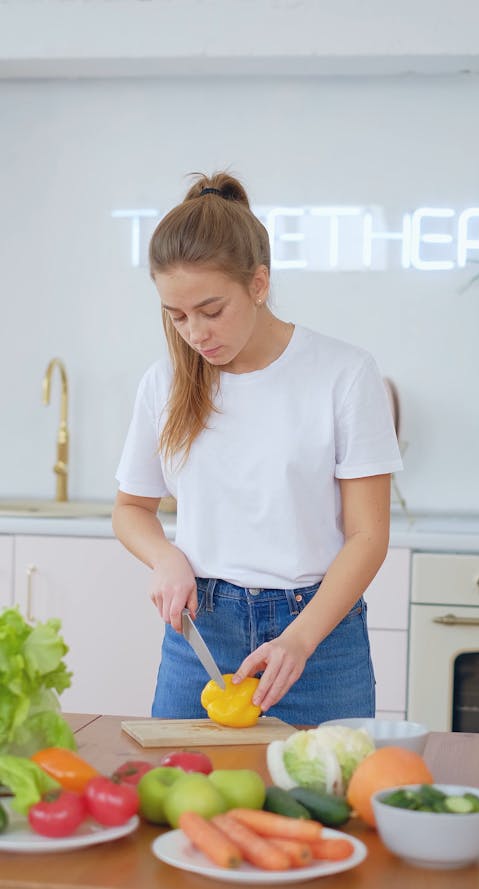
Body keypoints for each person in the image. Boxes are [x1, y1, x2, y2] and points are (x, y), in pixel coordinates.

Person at [112, 171, 403, 725]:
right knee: (178, 800)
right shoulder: (165, 382)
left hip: (317, 640)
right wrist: (165, 557)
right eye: (177, 316)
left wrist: (298, 640)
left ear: (260, 284)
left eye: (211, 310)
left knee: (329, 805)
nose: (195, 333)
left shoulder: (343, 372)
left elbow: (369, 536)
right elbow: (131, 510)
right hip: (201, 636)